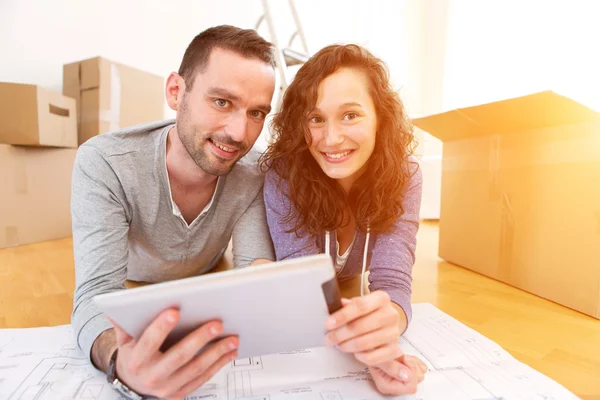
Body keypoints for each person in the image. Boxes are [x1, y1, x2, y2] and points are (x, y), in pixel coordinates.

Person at [71, 25, 276, 399]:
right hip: (133, 282)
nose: (239, 133)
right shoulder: (104, 162)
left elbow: (254, 271)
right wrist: (119, 362)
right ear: (176, 92)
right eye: (221, 102)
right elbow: (95, 293)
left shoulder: (256, 172)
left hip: (207, 275)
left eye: (257, 112)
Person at [261, 44, 427, 395]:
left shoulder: (405, 176)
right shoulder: (284, 174)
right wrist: (365, 349)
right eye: (316, 118)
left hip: (347, 293)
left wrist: (389, 326)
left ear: (380, 117)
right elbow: (304, 285)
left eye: (350, 115)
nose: (331, 139)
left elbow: (393, 280)